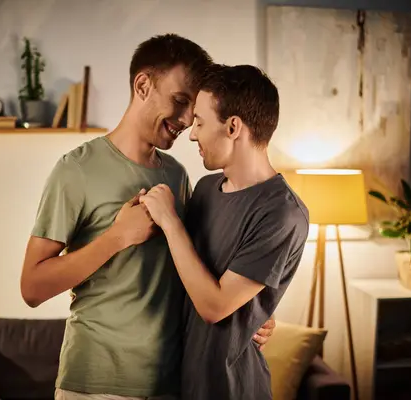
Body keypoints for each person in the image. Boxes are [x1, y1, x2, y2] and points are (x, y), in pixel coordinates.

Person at [20, 34, 275, 400]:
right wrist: (117, 237)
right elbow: (31, 287)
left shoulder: (177, 175)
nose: (187, 119)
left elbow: (195, 273)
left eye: (193, 109)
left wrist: (249, 315)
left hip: (171, 380)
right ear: (143, 85)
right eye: (179, 101)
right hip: (96, 382)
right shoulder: (76, 170)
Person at [138, 64, 310, 400]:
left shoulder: (283, 213)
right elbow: (183, 274)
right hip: (177, 383)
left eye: (200, 122)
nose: (191, 133)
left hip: (231, 389)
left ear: (233, 127)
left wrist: (170, 221)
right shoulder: (204, 189)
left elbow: (214, 306)